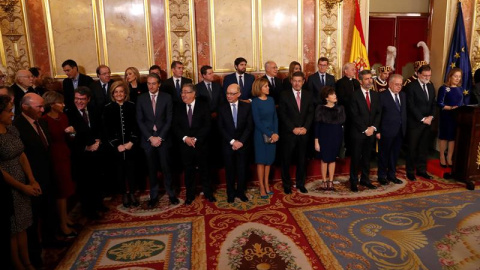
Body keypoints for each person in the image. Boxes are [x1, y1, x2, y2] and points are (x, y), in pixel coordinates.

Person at [0, 95, 41, 270]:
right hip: (7, 188)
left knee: (23, 226)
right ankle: (17, 265)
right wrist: (21, 187)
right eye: (9, 111)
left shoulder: (12, 129)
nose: (12, 114)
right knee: (13, 230)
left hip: (23, 181)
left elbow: (22, 155)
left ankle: (28, 262)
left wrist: (31, 180)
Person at [13, 93, 52, 267]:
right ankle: (34, 255)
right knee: (33, 219)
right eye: (39, 107)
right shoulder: (17, 127)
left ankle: (50, 242)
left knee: (47, 212)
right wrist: (30, 180)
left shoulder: (41, 122)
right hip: (31, 179)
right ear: (25, 107)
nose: (43, 110)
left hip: (47, 175)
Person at [136, 73, 179, 207]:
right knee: (151, 169)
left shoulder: (167, 97)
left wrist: (160, 137)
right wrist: (151, 138)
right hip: (148, 140)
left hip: (163, 139)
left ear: (159, 84)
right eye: (149, 83)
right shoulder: (141, 98)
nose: (151, 86)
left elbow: (169, 119)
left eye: (154, 83)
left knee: (166, 168)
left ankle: (171, 193)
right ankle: (153, 196)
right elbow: (140, 120)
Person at [41, 91, 77, 237]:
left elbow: (72, 138)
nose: (63, 105)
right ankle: (62, 223)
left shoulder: (63, 117)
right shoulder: (44, 120)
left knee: (67, 189)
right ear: (51, 105)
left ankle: (65, 217)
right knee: (60, 192)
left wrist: (73, 132)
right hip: (54, 158)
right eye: (60, 103)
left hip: (65, 154)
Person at [66, 86, 105, 219]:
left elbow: (100, 128)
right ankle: (89, 211)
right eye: (76, 99)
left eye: (82, 99)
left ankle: (99, 204)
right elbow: (70, 138)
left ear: (88, 99)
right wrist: (86, 147)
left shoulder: (94, 110)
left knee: (98, 180)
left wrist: (98, 141)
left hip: (96, 151)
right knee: (85, 184)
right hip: (81, 155)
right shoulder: (69, 113)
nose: (79, 102)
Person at [173, 83, 216, 205]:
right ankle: (190, 195)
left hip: (201, 144)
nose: (183, 94)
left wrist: (196, 138)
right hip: (185, 145)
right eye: (182, 92)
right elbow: (175, 126)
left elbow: (207, 125)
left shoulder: (203, 105)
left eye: (186, 92)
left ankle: (208, 193)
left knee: (205, 170)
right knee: (188, 171)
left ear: (194, 94)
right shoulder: (178, 106)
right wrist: (185, 138)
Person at [104, 81, 140, 207]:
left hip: (131, 145)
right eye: (116, 92)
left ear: (125, 93)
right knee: (120, 171)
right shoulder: (107, 108)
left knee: (132, 170)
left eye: (121, 91)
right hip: (117, 147)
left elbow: (137, 126)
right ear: (113, 94)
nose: (119, 94)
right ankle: (124, 193)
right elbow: (107, 130)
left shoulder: (132, 106)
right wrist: (117, 144)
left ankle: (132, 193)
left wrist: (131, 142)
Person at [278, 72, 313, 194]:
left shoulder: (308, 95)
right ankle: (286, 184)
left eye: (299, 81)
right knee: (286, 160)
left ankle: (300, 183)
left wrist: (305, 128)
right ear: (291, 81)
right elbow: (282, 114)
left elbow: (310, 113)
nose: (297, 83)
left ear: (303, 81)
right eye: (295, 81)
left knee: (302, 160)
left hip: (303, 133)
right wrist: (292, 128)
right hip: (289, 133)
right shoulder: (284, 95)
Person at [218, 84, 253, 203]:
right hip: (228, 144)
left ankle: (241, 192)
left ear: (239, 94)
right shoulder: (222, 107)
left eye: (232, 94)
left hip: (243, 144)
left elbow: (249, 126)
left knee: (242, 169)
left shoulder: (247, 106)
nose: (229, 96)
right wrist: (232, 141)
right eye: (227, 93)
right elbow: (220, 127)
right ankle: (231, 193)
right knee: (230, 170)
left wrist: (241, 141)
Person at [349, 70, 381, 192]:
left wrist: (373, 128)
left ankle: (365, 179)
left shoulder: (375, 95)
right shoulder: (354, 95)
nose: (369, 81)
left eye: (370, 78)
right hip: (358, 132)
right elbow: (354, 115)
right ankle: (353, 181)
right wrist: (364, 129)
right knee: (356, 158)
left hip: (371, 132)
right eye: (366, 79)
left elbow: (378, 113)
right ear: (360, 81)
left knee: (367, 157)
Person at [405, 65, 436, 181]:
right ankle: (410, 171)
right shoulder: (411, 86)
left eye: (429, 75)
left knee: (423, 148)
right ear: (418, 74)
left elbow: (433, 103)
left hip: (428, 123)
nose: (427, 78)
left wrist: (431, 117)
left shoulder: (431, 86)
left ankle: (422, 170)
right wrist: (423, 118)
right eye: (425, 75)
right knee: (412, 149)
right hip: (415, 123)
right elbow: (411, 105)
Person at [251, 78, 279, 198]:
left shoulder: (271, 100)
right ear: (259, 88)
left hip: (273, 134)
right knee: (261, 161)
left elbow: (275, 118)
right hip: (260, 134)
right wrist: (269, 133)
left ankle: (267, 184)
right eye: (266, 86)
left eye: (268, 86)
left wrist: (275, 133)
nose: (268, 88)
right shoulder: (255, 102)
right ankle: (261, 186)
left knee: (269, 161)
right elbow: (257, 121)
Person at [314, 86, 346, 190]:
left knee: (332, 159)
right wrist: (316, 141)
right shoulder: (320, 108)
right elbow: (317, 126)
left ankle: (331, 181)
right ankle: (324, 181)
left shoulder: (340, 108)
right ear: (326, 97)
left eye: (335, 94)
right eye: (332, 94)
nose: (335, 96)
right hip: (324, 137)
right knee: (324, 160)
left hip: (336, 136)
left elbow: (342, 123)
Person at [376, 74, 405, 185]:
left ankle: (392, 175)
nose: (399, 87)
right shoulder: (382, 96)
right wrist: (377, 131)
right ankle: (382, 176)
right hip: (386, 131)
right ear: (390, 84)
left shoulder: (403, 95)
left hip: (399, 131)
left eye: (400, 85)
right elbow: (378, 114)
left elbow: (403, 113)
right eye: (396, 84)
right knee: (384, 154)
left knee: (395, 154)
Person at [437, 67, 464, 167]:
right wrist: (451, 107)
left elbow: (462, 103)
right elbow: (439, 103)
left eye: (459, 77)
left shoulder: (460, 89)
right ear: (450, 76)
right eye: (455, 76)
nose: (457, 79)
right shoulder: (444, 88)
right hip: (446, 116)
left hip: (457, 116)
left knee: (452, 138)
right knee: (444, 137)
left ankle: (449, 157)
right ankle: (442, 157)